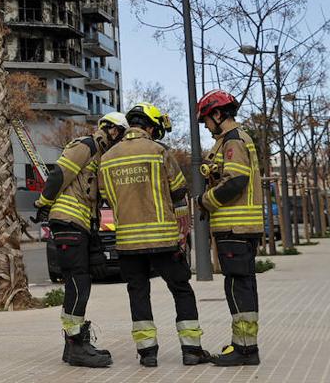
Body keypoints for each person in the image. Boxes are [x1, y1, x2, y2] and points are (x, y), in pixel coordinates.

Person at [98, 103, 211, 367]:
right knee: (181, 290)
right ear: (149, 127)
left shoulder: (108, 158)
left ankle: (147, 353)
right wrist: (183, 229)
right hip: (163, 239)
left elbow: (106, 197)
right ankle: (192, 350)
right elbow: (178, 191)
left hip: (127, 242)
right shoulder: (159, 151)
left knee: (138, 293)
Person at [34, 111, 129, 368]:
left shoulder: (99, 156)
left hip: (80, 225)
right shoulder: (85, 145)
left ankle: (73, 344)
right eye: (120, 135)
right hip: (68, 222)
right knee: (78, 283)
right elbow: (58, 175)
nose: (120, 141)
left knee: (81, 282)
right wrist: (43, 203)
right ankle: (76, 346)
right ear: (111, 130)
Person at [198, 90, 264, 366]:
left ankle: (246, 350)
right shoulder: (230, 140)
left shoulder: (233, 141)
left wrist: (206, 201)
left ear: (217, 114)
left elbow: (236, 181)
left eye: (206, 120)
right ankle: (244, 345)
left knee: (239, 288)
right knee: (241, 285)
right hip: (238, 229)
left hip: (236, 227)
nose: (205, 126)